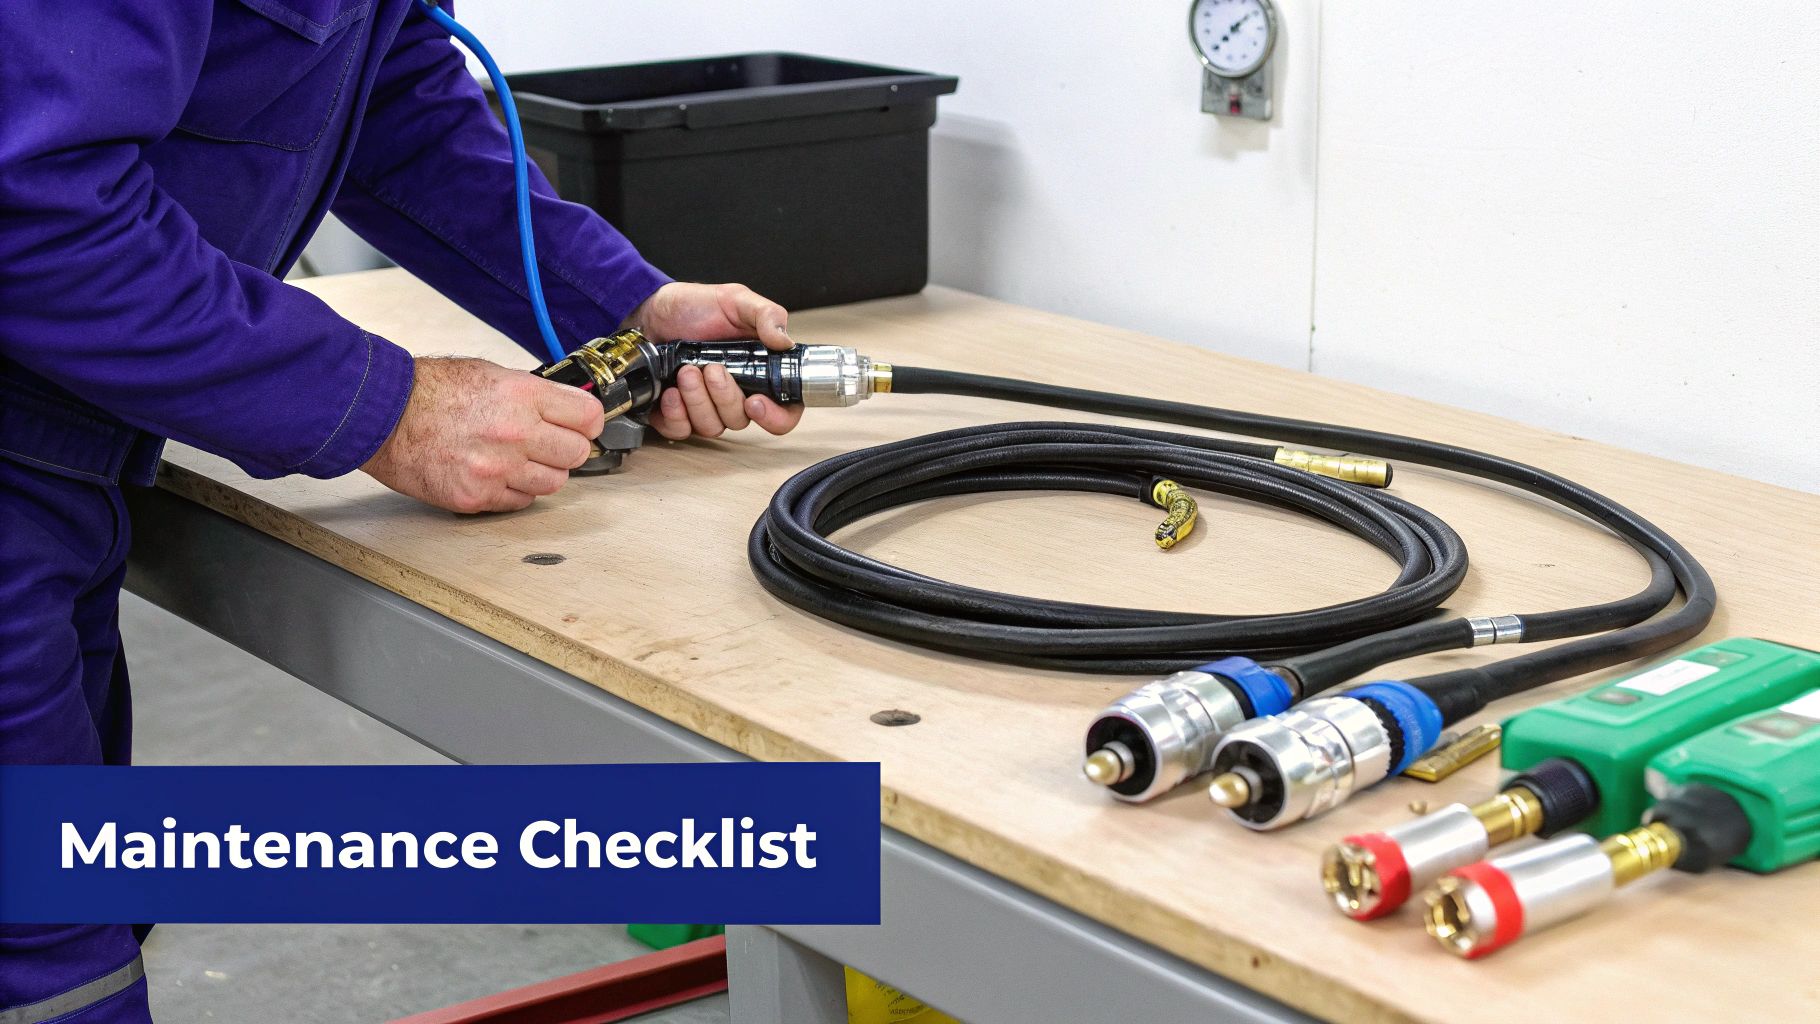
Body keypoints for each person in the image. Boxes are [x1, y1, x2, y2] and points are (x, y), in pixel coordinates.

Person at [0, 2, 799, 1019]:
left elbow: (395, 112)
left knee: (75, 889)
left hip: (72, 440)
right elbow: (30, 204)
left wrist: (623, 315)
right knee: (47, 952)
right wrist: (388, 407)